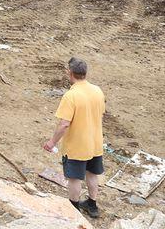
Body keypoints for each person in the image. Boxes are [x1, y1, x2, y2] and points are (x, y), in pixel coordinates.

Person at [42, 57, 106, 219]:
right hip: (95, 143)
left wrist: (52, 142)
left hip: (77, 146)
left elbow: (64, 124)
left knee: (74, 178)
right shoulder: (97, 91)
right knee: (92, 174)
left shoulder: (71, 96)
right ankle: (92, 205)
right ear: (85, 73)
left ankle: (74, 208)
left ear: (69, 73)